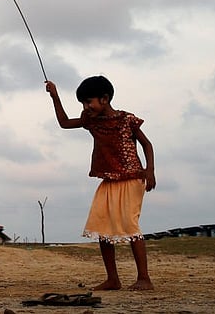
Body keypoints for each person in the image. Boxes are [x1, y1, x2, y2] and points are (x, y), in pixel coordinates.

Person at [45, 76, 156, 291]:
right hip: (108, 179)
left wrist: (150, 170)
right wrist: (55, 97)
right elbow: (65, 123)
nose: (86, 107)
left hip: (132, 178)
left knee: (130, 225)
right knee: (102, 226)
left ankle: (144, 278)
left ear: (104, 99)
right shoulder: (92, 120)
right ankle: (112, 279)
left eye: (89, 102)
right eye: (83, 104)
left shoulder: (126, 119)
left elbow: (147, 144)